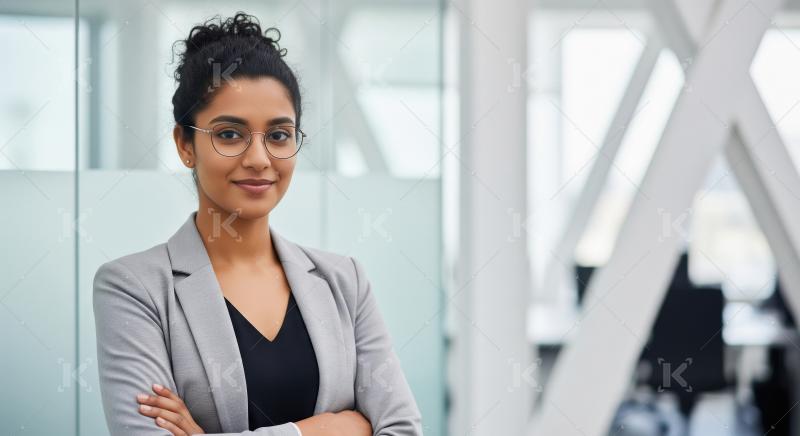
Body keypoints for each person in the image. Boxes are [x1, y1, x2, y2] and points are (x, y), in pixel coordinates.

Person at [92, 11, 422, 436]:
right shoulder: (134, 289)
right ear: (184, 144)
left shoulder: (345, 282)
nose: (259, 159)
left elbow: (403, 429)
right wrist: (327, 429)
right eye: (230, 134)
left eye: (279, 135)